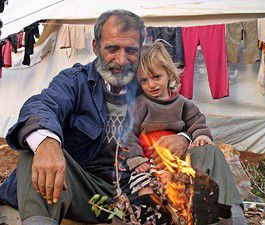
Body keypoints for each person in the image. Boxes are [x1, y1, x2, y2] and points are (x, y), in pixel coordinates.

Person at [3, 9, 245, 225]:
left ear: (141, 49)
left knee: (208, 154)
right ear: (96, 46)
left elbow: (184, 114)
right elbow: (42, 105)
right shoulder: (76, 82)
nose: (121, 60)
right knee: (35, 152)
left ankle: (232, 219)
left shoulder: (149, 82)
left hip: (146, 191)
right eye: (112, 49)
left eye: (131, 50)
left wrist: (183, 137)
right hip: (89, 191)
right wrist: (47, 143)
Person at [121, 41, 213, 195]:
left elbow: (197, 122)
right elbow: (127, 133)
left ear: (169, 73)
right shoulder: (139, 104)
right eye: (144, 80)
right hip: (149, 161)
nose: (151, 85)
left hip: (178, 160)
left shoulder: (182, 103)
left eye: (156, 77)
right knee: (142, 184)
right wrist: (135, 158)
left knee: (185, 188)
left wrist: (201, 136)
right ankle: (146, 210)